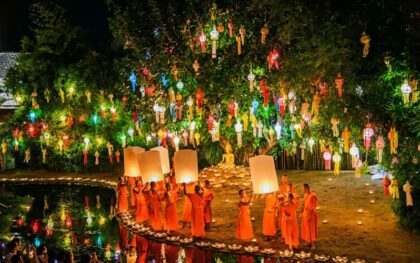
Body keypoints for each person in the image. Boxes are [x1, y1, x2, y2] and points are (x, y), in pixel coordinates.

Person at [301, 184, 318, 249]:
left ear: (307, 188)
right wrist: (302, 212)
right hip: (305, 213)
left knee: (311, 229)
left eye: (303, 189)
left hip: (311, 214)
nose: (303, 190)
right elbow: (304, 204)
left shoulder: (313, 196)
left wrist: (310, 216)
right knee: (306, 228)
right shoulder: (305, 195)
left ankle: (313, 243)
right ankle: (308, 241)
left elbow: (313, 208)